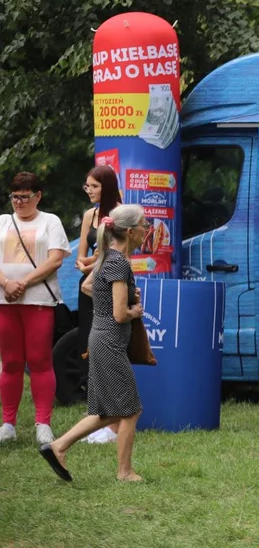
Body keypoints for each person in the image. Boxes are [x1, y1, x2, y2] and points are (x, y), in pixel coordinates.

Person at [41, 204, 148, 482]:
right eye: (144, 225)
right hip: (110, 342)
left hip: (102, 339)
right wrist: (134, 309)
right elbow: (120, 314)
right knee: (131, 409)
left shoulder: (108, 259)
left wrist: (121, 292)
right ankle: (125, 472)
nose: (147, 230)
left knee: (109, 411)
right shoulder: (118, 262)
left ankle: (58, 446)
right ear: (129, 231)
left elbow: (89, 286)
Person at [0, 172, 72, 446]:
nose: (19, 202)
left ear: (38, 196)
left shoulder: (50, 221)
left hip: (39, 300)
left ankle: (43, 423)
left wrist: (22, 283)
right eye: (14, 197)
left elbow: (55, 261)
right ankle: (8, 423)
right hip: (6, 301)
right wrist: (6, 283)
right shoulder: (3, 222)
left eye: (25, 197)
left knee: (40, 361)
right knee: (11, 362)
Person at [75, 165, 124, 444]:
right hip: (89, 286)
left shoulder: (121, 214)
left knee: (110, 351)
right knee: (92, 352)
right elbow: (83, 255)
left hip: (111, 286)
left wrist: (94, 262)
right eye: (87, 187)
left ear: (106, 186)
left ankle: (114, 422)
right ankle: (97, 419)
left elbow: (115, 252)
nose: (90, 191)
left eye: (94, 186)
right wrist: (85, 263)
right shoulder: (88, 216)